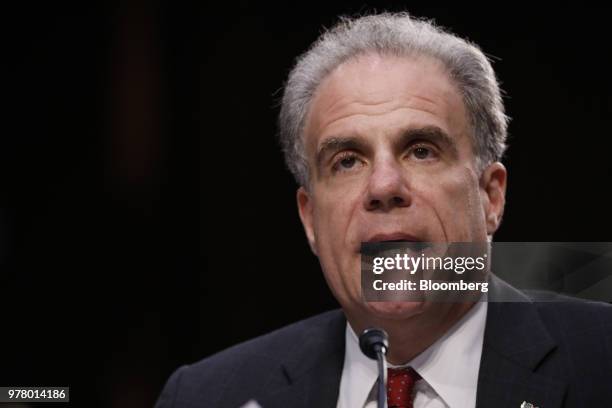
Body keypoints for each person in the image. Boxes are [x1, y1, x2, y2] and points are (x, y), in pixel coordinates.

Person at [156, 12, 612, 408]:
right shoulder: (206, 396)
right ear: (311, 219)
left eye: (421, 150)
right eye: (348, 161)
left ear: (491, 196)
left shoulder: (601, 360)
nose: (384, 186)